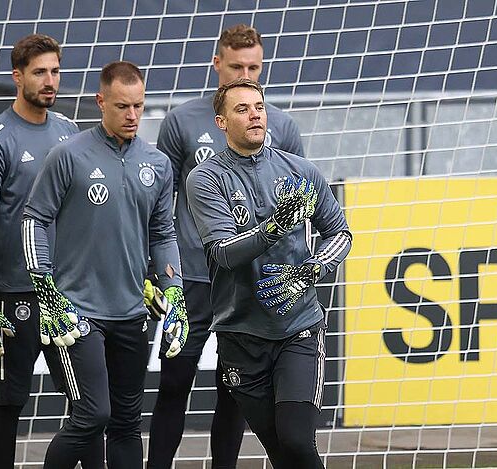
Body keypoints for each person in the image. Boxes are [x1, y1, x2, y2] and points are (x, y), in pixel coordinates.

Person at [148, 24, 304, 469]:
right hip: (194, 279)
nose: (246, 75)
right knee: (174, 383)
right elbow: (160, 202)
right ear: (217, 64)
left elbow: (300, 204)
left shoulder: (281, 125)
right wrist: (158, 268)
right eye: (236, 66)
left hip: (248, 284)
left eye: (254, 67)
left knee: (235, 392)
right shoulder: (181, 121)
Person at [22, 61, 189, 469]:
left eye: (138, 106)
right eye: (121, 106)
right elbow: (34, 219)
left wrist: (174, 291)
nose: (132, 115)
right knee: (92, 414)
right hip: (77, 312)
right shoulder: (68, 155)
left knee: (127, 423)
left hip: (131, 312)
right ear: (101, 102)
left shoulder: (158, 164)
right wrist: (45, 287)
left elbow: (163, 234)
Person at [185, 78, 351, 468]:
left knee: (297, 441)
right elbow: (223, 253)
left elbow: (340, 234)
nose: (254, 115)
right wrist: (273, 227)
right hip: (241, 336)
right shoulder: (205, 179)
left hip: (298, 328)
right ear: (222, 123)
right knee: (281, 452)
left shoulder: (301, 171)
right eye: (242, 109)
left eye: (258, 107)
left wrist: (313, 269)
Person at [0, 33, 104, 469]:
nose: (49, 81)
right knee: (9, 402)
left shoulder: (68, 131)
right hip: (14, 294)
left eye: (55, 71)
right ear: (18, 76)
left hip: (66, 295)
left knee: (88, 405)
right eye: (40, 72)